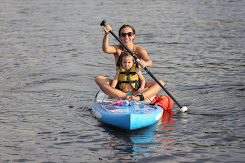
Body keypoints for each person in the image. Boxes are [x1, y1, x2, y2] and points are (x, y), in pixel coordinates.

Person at [95, 24, 164, 100]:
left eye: (129, 34)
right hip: (120, 86)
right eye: (123, 35)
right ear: (120, 37)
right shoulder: (117, 49)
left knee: (160, 83)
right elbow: (106, 49)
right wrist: (106, 34)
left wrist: (145, 63)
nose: (126, 37)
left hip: (136, 86)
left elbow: (149, 62)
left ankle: (138, 97)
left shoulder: (138, 50)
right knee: (98, 79)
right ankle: (123, 96)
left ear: (133, 36)